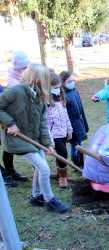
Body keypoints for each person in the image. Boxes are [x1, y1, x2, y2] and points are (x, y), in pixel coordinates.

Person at [0, 64, 69, 213]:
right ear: (36, 78)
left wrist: (47, 143)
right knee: (44, 169)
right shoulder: (16, 91)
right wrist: (10, 123)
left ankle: (36, 196)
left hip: (34, 139)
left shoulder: (39, 95)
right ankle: (50, 200)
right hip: (17, 139)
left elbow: (43, 123)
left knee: (41, 165)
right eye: (45, 79)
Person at [2, 51, 30, 187]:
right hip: (6, 118)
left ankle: (10, 171)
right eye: (23, 67)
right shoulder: (12, 81)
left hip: (9, 119)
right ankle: (5, 174)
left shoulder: (19, 77)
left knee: (7, 147)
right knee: (7, 146)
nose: (25, 69)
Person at [47, 70, 73, 188]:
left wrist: (69, 129)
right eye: (54, 88)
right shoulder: (46, 102)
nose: (57, 90)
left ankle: (59, 173)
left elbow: (66, 115)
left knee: (59, 154)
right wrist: (49, 138)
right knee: (63, 153)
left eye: (58, 87)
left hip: (63, 132)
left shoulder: (61, 98)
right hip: (54, 134)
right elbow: (45, 122)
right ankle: (63, 178)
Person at [60, 71, 89, 168]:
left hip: (79, 123)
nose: (72, 82)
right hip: (71, 125)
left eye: (73, 80)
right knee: (75, 145)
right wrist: (68, 129)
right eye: (69, 81)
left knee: (79, 144)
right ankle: (77, 164)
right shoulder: (63, 96)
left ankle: (81, 163)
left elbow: (81, 110)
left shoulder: (75, 92)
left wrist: (85, 124)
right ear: (63, 82)